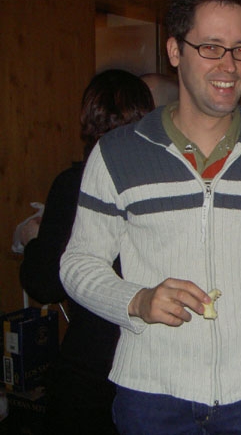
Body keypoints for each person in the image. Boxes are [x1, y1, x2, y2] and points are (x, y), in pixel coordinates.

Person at [60, 0, 241, 434]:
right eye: (211, 47)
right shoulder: (118, 153)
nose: (229, 65)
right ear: (174, 51)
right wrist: (137, 300)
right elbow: (77, 264)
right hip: (151, 395)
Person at [19, 69, 155, 434]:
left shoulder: (73, 185)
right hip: (153, 363)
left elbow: (44, 283)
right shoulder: (159, 184)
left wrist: (34, 239)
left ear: (89, 120)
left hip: (94, 364)